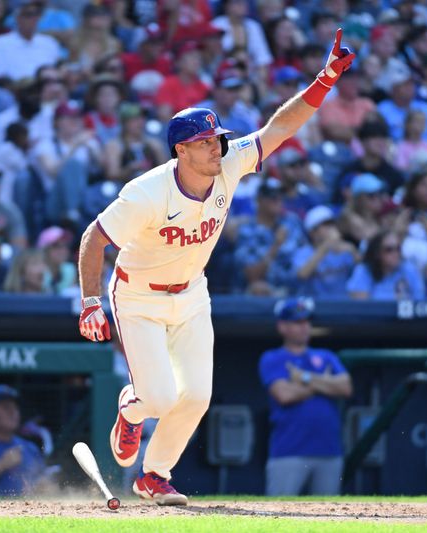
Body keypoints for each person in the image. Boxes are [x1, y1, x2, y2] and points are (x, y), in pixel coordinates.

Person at [75, 30, 355, 506]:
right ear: (181, 150)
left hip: (190, 294)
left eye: (218, 139)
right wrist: (90, 302)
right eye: (206, 142)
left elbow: (280, 129)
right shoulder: (146, 192)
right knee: (160, 398)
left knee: (198, 396)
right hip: (139, 295)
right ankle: (131, 407)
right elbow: (93, 239)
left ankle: (154, 475)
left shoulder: (227, 166)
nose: (217, 148)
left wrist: (324, 79)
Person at [258, 296, 352, 496]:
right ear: (282, 326)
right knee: (278, 516)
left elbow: (345, 387)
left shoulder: (326, 356)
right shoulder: (273, 358)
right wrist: (324, 383)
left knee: (329, 518)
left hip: (329, 451)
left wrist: (305, 378)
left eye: (306, 322)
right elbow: (284, 394)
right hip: (289, 451)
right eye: (297, 322)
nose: (304, 327)